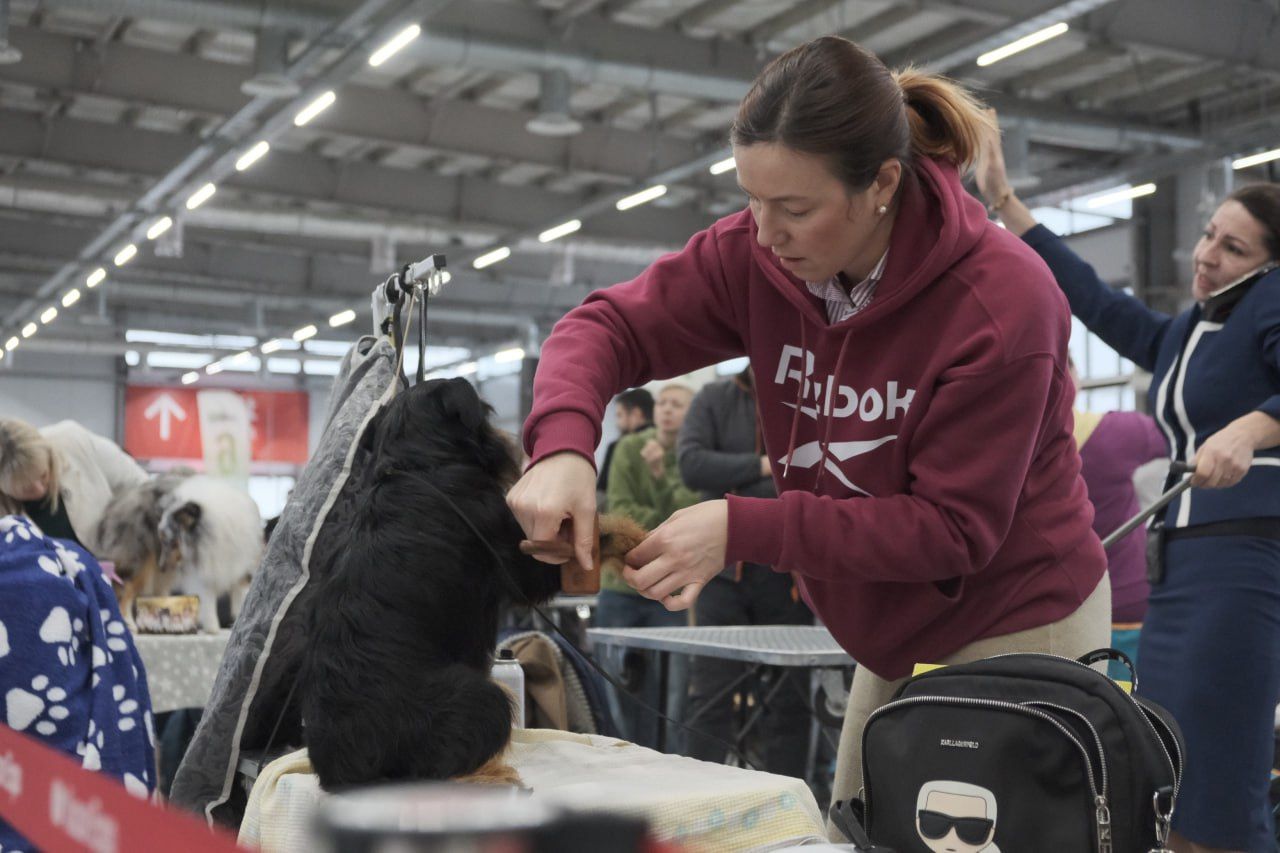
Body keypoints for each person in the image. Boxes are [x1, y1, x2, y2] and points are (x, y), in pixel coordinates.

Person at [507, 35, 1109, 839]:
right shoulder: (758, 256)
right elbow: (605, 326)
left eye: (794, 208)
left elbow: (953, 529)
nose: (763, 232)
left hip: (1014, 618)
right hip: (890, 629)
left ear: (883, 185)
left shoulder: (1003, 303)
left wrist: (746, 526)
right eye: (751, 199)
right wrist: (563, 446)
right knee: (856, 826)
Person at [978, 113, 1280, 853]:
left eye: (1232, 247)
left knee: (1219, 792)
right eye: (1209, 234)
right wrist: (1008, 205)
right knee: (1169, 785)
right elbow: (1100, 302)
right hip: (1176, 575)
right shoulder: (1188, 331)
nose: (1206, 254)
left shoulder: (1271, 305)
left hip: (1242, 567)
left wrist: (1252, 427)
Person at [677, 367, 814, 776]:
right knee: (711, 696)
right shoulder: (713, 399)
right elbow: (692, 464)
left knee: (791, 702)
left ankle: (787, 805)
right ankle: (698, 803)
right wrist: (763, 466)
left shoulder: (809, 403)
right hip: (723, 574)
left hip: (787, 575)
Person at [597, 382, 700, 748]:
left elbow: (692, 517)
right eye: (663, 403)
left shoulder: (693, 457)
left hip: (668, 591)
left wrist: (659, 476)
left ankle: (668, 772)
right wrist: (667, 523)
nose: (667, 409)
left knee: (670, 697)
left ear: (693, 414)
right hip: (621, 587)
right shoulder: (628, 447)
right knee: (613, 687)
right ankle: (616, 768)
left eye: (677, 404)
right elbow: (621, 511)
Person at [1067, 356, 1167, 676]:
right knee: (1125, 711)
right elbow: (1178, 437)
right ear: (1074, 377)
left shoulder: (1016, 445)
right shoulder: (1115, 433)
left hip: (1059, 607)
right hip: (1124, 603)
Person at [0, 418, 148, 556]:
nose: (40, 489)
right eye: (26, 489)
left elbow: (142, 486)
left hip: (117, 563)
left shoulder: (74, 441)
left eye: (44, 475)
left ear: (49, 454)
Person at [597, 387, 654, 503]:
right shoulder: (668, 442)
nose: (618, 423)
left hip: (623, 517)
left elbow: (602, 492)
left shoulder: (618, 445)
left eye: (619, 415)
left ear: (636, 414)